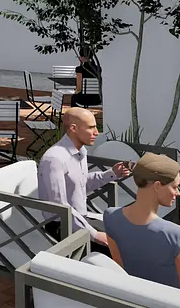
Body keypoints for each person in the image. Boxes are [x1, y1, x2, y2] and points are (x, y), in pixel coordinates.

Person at [105, 153, 180, 301]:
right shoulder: (179, 236)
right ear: (157, 186)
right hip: (169, 302)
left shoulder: (110, 216)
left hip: (137, 297)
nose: (178, 193)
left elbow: (122, 267)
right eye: (175, 187)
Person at [37, 107, 131, 252]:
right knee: (120, 249)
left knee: (128, 237)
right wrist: (93, 234)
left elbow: (81, 183)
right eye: (91, 127)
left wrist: (112, 173)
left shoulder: (81, 151)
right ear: (74, 129)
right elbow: (60, 207)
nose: (96, 133)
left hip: (81, 218)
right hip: (62, 225)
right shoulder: (54, 160)